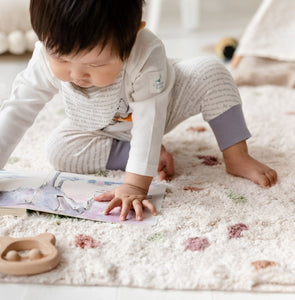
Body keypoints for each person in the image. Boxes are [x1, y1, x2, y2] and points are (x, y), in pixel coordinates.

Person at [0, 0, 277, 221]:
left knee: (211, 72)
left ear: (131, 39)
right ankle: (151, 153)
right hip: (98, 124)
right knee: (58, 150)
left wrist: (134, 185)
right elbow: (18, 109)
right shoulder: (45, 56)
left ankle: (237, 155)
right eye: (61, 59)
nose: (77, 74)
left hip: (163, 105)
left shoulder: (146, 53)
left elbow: (149, 118)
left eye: (95, 65)